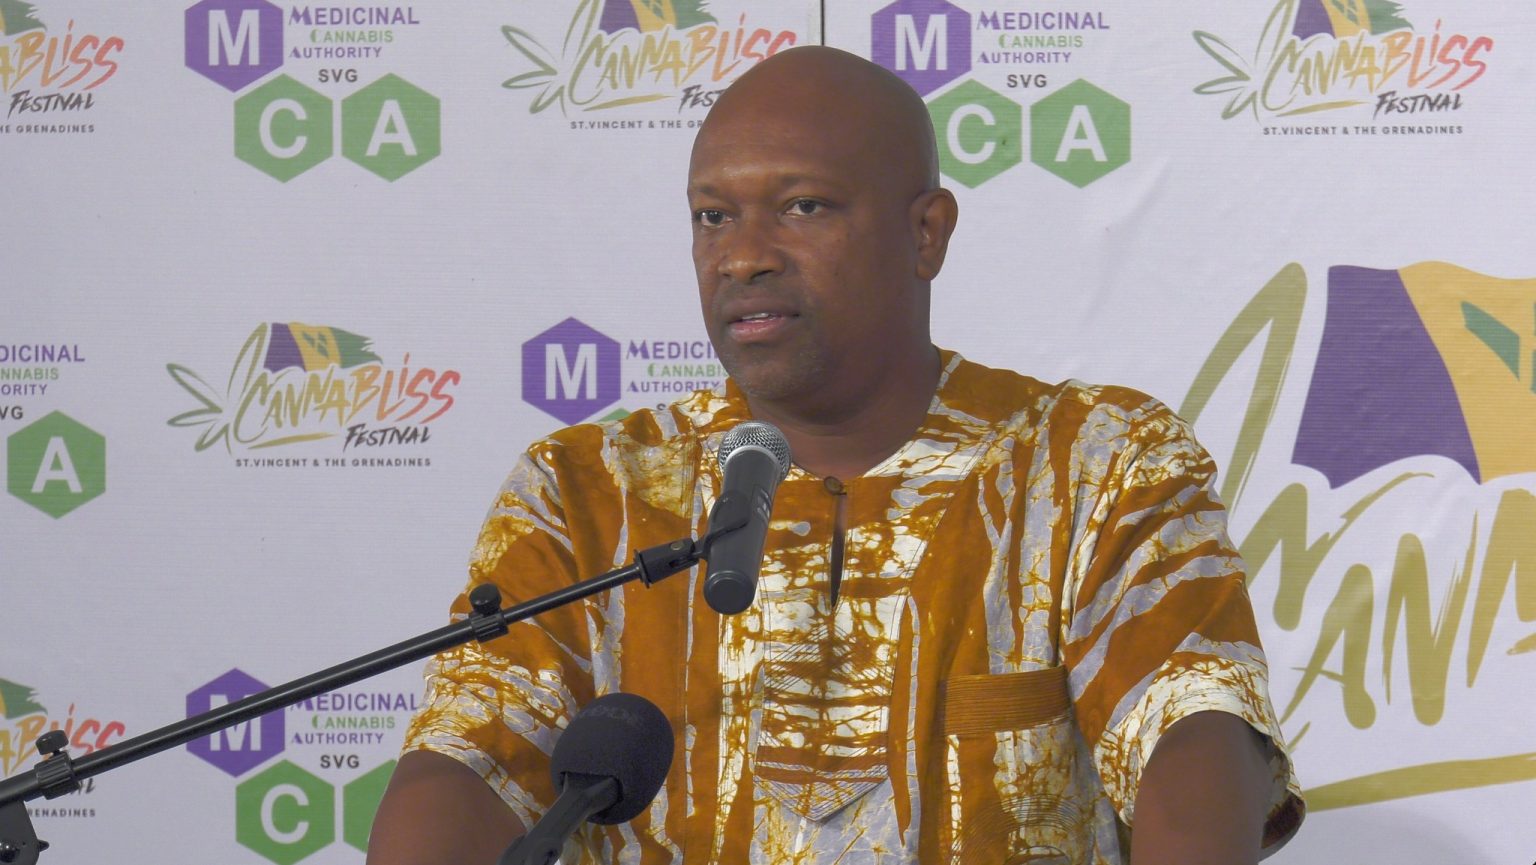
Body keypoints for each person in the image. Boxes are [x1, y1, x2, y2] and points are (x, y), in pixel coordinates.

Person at [367, 46, 1303, 865]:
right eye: (712, 217)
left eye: (803, 207)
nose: (743, 256)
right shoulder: (590, 488)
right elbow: (472, 754)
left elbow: (1192, 722)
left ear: (926, 232)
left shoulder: (1099, 461)